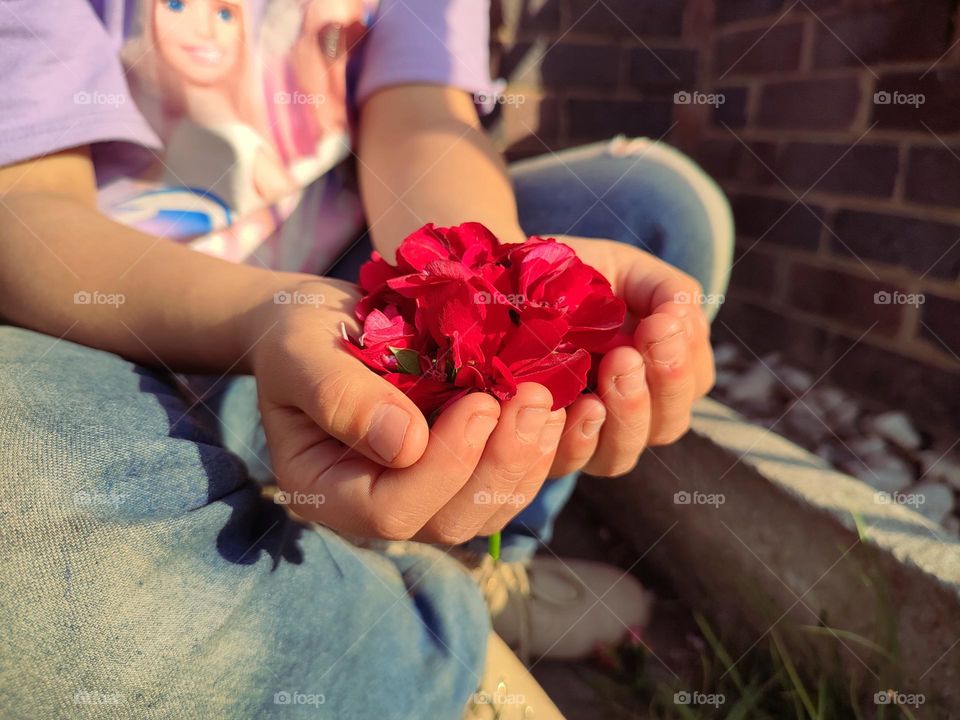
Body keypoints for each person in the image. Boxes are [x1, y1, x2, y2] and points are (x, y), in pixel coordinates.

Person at [0, 0, 732, 717]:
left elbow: (419, 118)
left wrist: (494, 283)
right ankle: (425, 640)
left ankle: (465, 561)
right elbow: (25, 207)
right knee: (27, 517)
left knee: (657, 212)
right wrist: (268, 318)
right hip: (117, 332)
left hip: (345, 315)